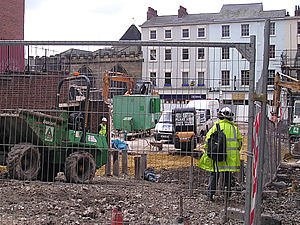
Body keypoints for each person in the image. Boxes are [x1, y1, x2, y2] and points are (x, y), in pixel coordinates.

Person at [198, 107, 242, 201]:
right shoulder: (234, 129)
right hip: (228, 159)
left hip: (217, 157)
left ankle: (210, 195)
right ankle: (227, 195)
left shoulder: (215, 127)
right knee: (227, 176)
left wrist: (208, 152)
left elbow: (207, 141)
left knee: (214, 175)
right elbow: (239, 144)